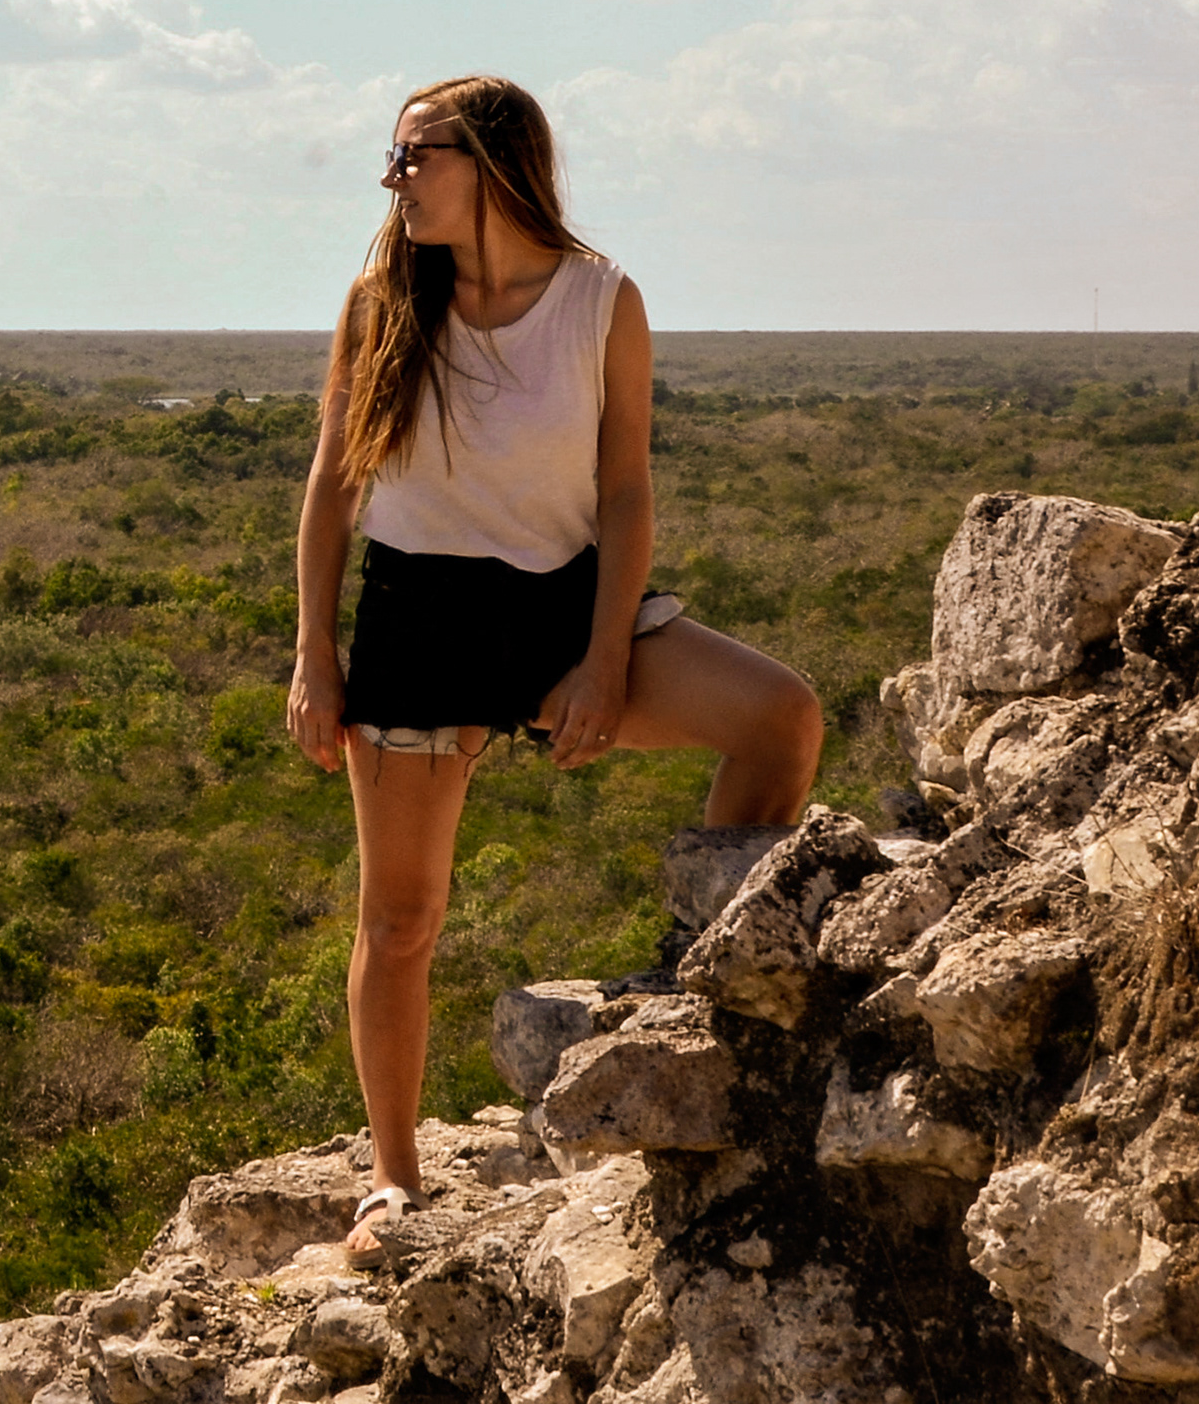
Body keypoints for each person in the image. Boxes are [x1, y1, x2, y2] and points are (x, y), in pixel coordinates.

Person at [284, 74, 821, 1267]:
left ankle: (708, 1004)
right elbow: (332, 490)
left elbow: (625, 491)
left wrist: (596, 659)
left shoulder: (598, 299)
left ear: (494, 161)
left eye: (417, 155)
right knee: (403, 914)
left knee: (779, 719)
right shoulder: (386, 299)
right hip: (418, 617)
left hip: (565, 607)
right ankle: (391, 1177)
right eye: (392, 156)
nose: (394, 178)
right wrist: (317, 658)